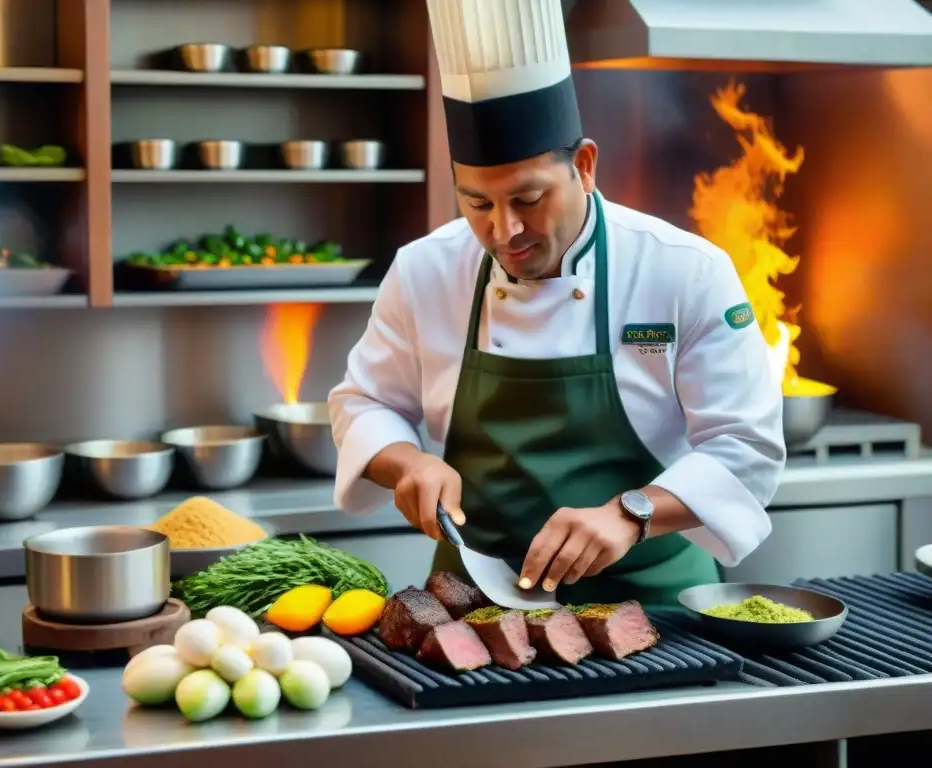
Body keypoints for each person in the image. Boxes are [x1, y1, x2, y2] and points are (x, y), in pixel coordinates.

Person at [327, 0, 785, 607]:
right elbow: (366, 402)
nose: (505, 231)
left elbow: (744, 446)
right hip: (471, 601)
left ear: (586, 167)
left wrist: (632, 513)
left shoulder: (685, 270)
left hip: (653, 600)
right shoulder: (425, 269)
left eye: (529, 198)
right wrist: (407, 463)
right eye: (478, 204)